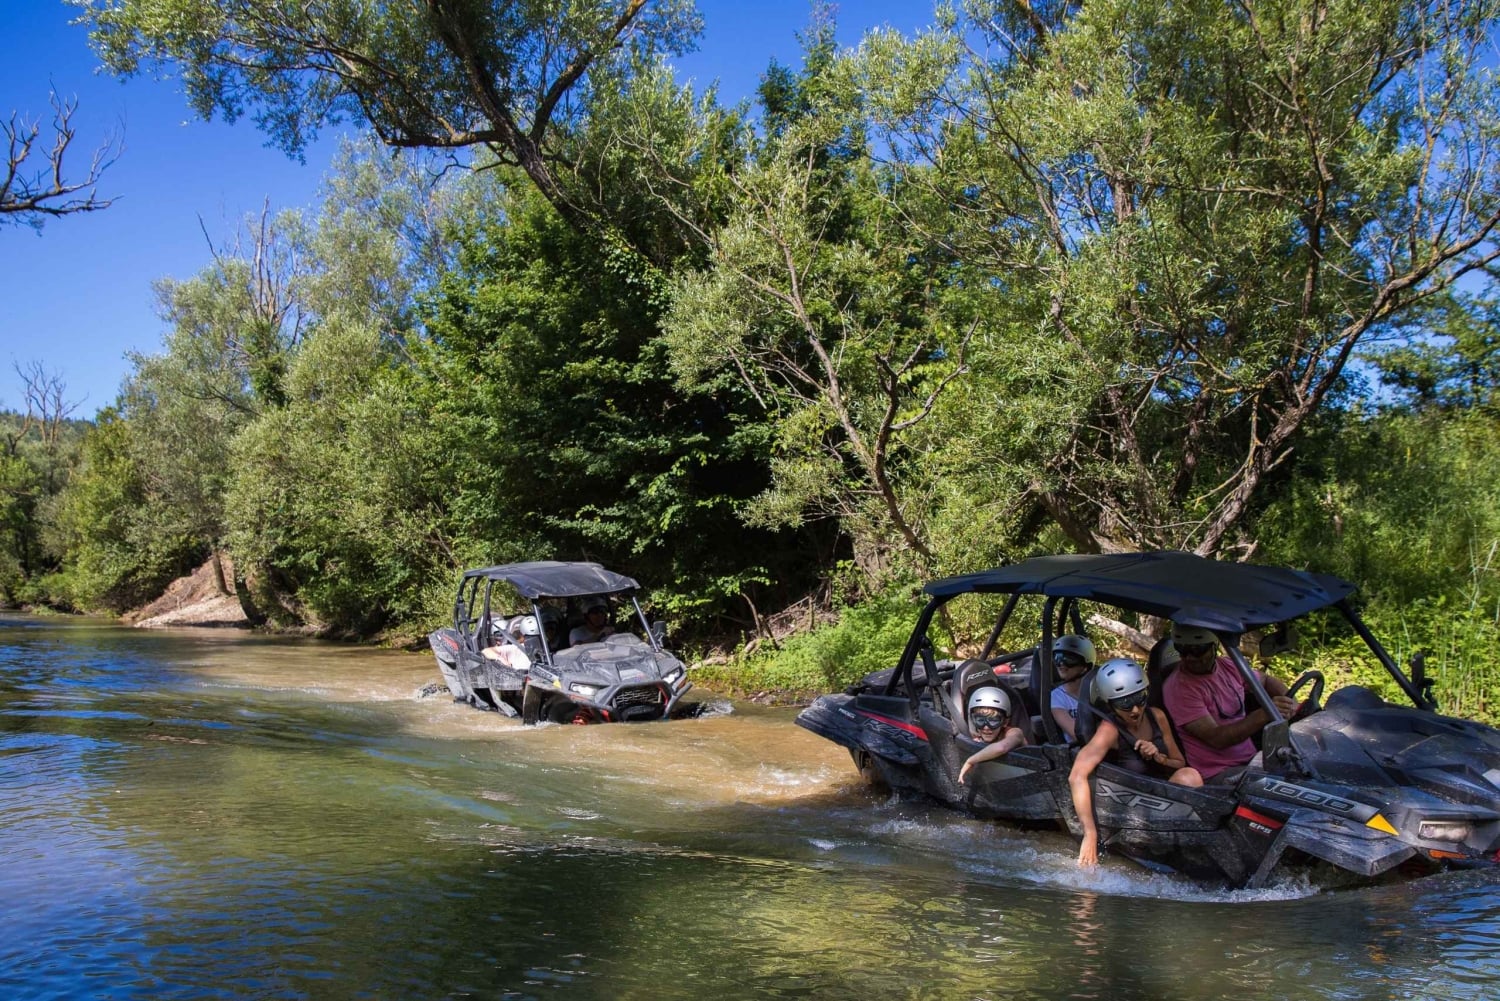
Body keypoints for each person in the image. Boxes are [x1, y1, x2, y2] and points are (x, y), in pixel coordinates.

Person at [1070, 658, 1203, 867]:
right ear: (1110, 704)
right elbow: (1077, 775)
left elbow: (1179, 763)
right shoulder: (1109, 730)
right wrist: (1090, 834)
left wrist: (1160, 757)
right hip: (1132, 802)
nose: (1135, 710)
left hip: (1165, 797)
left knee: (1190, 775)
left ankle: (1195, 846)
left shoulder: (1156, 716)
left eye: (1140, 699)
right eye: (1124, 703)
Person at [1161, 623, 1297, 781]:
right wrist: (1266, 713)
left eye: (1197, 650)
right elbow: (1216, 738)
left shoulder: (1228, 666)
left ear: (1214, 646)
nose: (1190, 658)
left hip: (1251, 760)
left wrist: (1291, 701)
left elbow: (1265, 680)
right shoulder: (1179, 687)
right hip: (1218, 772)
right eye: (1182, 650)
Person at [957, 686, 1029, 783]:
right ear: (972, 720)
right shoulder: (976, 739)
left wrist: (971, 760)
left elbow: (1001, 748)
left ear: (1005, 722)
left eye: (993, 720)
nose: (986, 727)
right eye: (980, 720)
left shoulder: (1015, 733)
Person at [1049, 634, 1096, 743]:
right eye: (1057, 657)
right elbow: (1079, 735)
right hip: (1079, 751)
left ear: (1085, 666)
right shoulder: (1057, 696)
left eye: (1068, 659)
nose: (1061, 664)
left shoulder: (1097, 691)